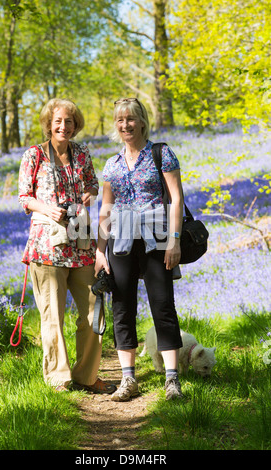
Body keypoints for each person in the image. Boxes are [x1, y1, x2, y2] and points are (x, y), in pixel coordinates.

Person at [18, 98, 116, 394]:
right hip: (47, 247)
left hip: (82, 244)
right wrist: (48, 209)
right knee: (52, 317)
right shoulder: (34, 155)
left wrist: (88, 194)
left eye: (69, 121)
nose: (63, 126)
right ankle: (59, 379)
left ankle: (86, 375)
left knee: (94, 311)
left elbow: (93, 184)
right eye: (58, 121)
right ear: (49, 124)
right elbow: (24, 198)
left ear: (76, 125)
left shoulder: (82, 153)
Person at [95, 97, 183, 401]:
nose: (125, 125)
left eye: (130, 119)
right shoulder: (111, 164)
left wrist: (174, 240)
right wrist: (98, 250)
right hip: (120, 242)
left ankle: (172, 380)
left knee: (162, 305)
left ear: (142, 122)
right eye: (120, 120)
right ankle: (128, 380)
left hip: (157, 239)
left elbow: (176, 198)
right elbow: (106, 208)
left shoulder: (162, 154)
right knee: (122, 308)